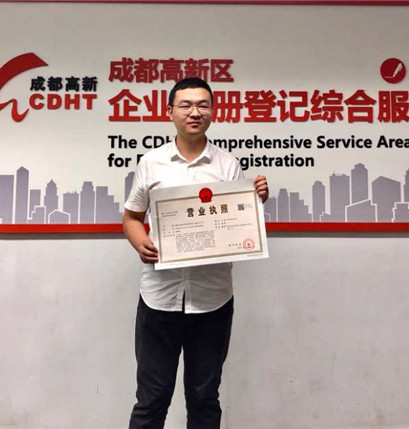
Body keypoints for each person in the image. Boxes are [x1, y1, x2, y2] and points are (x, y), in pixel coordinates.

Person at [123, 77, 268, 429]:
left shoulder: (227, 165)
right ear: (170, 111)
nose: (195, 112)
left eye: (203, 105)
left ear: (213, 112)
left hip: (212, 299)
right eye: (186, 105)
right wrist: (139, 242)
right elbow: (131, 217)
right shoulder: (152, 163)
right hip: (159, 297)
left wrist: (254, 200)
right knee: (152, 398)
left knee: (204, 398)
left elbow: (237, 221)